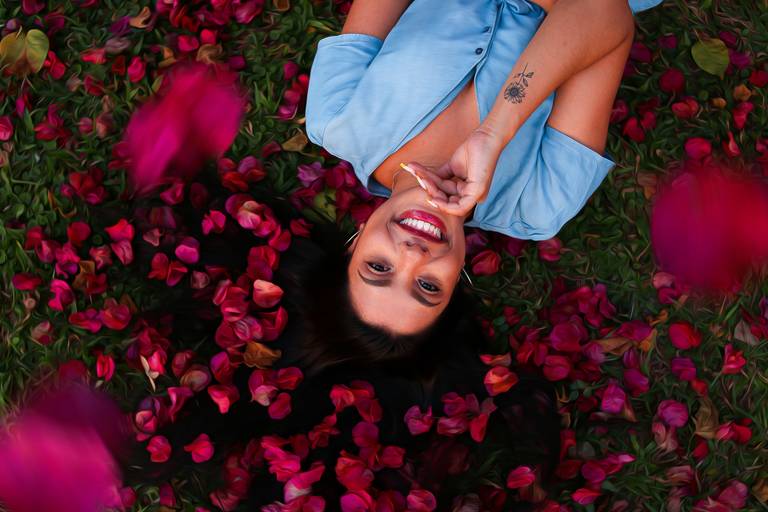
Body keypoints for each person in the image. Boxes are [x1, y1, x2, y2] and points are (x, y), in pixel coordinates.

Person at [305, 0, 663, 336]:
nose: (413, 256)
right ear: (457, 279)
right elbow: (606, 9)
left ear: (355, 244)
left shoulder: (336, 119)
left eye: (378, 267)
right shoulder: (539, 203)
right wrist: (494, 132)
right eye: (428, 286)